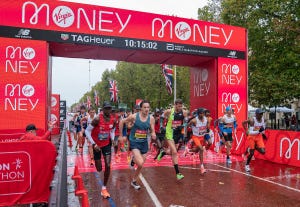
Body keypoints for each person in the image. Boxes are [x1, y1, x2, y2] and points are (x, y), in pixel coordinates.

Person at [119, 100, 156, 190]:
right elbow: (122, 122)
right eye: (145, 107)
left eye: (148, 107)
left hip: (144, 142)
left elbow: (152, 129)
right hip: (134, 141)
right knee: (140, 162)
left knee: (141, 164)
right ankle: (134, 159)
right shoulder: (134, 116)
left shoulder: (151, 118)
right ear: (141, 108)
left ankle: (134, 180)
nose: (147, 109)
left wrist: (153, 134)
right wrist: (120, 135)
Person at [85, 101, 116, 198]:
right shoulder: (97, 119)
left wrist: (113, 138)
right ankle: (97, 163)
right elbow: (87, 131)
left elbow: (112, 130)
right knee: (99, 168)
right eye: (106, 108)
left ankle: (104, 188)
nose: (108, 110)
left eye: (109, 108)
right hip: (97, 145)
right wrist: (94, 144)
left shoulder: (113, 119)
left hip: (106, 144)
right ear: (103, 109)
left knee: (108, 165)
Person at [158, 99, 188, 180]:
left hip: (178, 134)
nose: (180, 107)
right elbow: (162, 117)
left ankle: (164, 152)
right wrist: (161, 126)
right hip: (169, 132)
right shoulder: (169, 111)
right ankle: (178, 173)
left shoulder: (184, 112)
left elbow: (186, 121)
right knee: (174, 152)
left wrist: (183, 126)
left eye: (181, 106)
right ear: (175, 105)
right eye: (178, 106)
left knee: (171, 152)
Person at [187, 108, 211, 174]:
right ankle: (202, 167)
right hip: (195, 137)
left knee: (197, 150)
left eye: (203, 113)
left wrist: (208, 129)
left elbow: (208, 124)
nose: (202, 114)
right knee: (201, 149)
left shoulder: (206, 119)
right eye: (200, 113)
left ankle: (189, 151)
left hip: (202, 137)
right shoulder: (194, 120)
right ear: (198, 114)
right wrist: (187, 131)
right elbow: (187, 125)